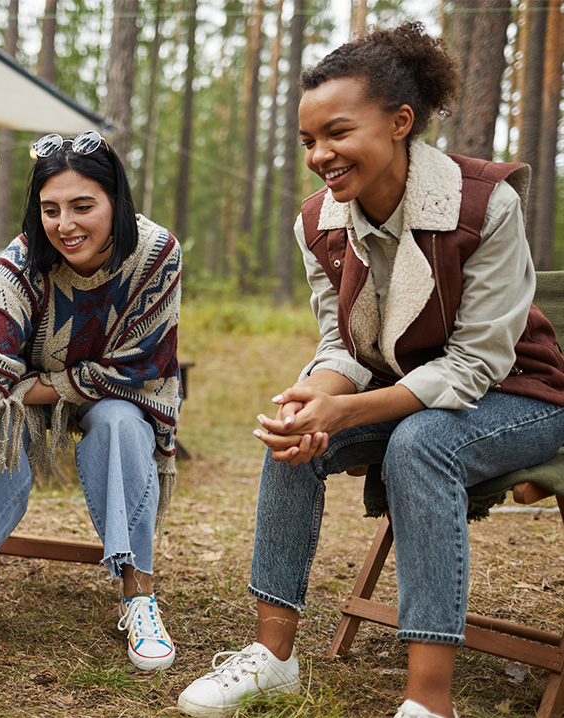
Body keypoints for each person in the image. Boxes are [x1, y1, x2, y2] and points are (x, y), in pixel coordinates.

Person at [177, 22, 564, 718]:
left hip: (522, 396)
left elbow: (477, 364)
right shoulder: (318, 223)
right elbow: (343, 346)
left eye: (337, 133)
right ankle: (272, 658)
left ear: (400, 122)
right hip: (407, 393)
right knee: (295, 438)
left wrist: (349, 411)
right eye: (308, 142)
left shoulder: (485, 205)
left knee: (422, 446)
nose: (320, 155)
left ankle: (428, 702)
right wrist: (315, 398)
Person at [0, 130, 182, 672]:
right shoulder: (21, 261)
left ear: (116, 200)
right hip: (32, 388)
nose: (65, 225)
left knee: (120, 422)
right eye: (50, 209)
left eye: (82, 206)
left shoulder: (156, 253)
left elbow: (140, 365)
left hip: (122, 392)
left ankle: (138, 591)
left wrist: (35, 386)